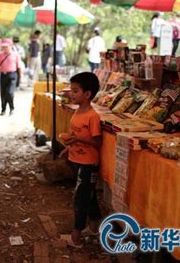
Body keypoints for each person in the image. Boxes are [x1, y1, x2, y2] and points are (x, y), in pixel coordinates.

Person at [59, 72, 102, 248]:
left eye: (75, 91)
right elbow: (77, 134)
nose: (71, 94)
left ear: (87, 94)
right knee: (87, 194)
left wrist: (76, 141)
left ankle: (76, 236)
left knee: (80, 199)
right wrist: (69, 147)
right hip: (77, 159)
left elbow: (96, 142)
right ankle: (94, 225)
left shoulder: (92, 116)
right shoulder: (78, 111)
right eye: (71, 90)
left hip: (88, 163)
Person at [0, 39, 20, 116]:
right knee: (3, 93)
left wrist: (20, 78)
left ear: (10, 46)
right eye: (3, 47)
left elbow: (19, 67)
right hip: (3, 75)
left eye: (6, 47)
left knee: (10, 93)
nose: (4, 48)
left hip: (12, 75)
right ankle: (3, 109)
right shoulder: (0, 55)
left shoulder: (15, 55)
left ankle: (12, 108)